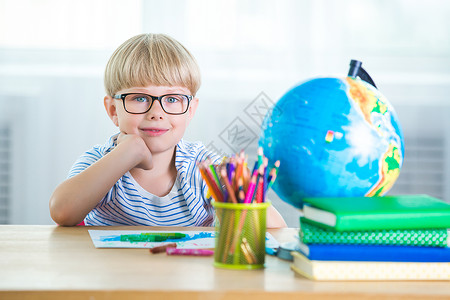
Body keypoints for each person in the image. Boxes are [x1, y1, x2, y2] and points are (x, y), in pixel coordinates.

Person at [49, 33, 287, 228]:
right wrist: (126, 153)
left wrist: (240, 195)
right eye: (140, 98)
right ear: (113, 110)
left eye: (172, 99)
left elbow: (276, 229)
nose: (156, 112)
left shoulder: (203, 167)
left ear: (190, 110)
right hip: (114, 282)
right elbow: (62, 211)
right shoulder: (100, 162)